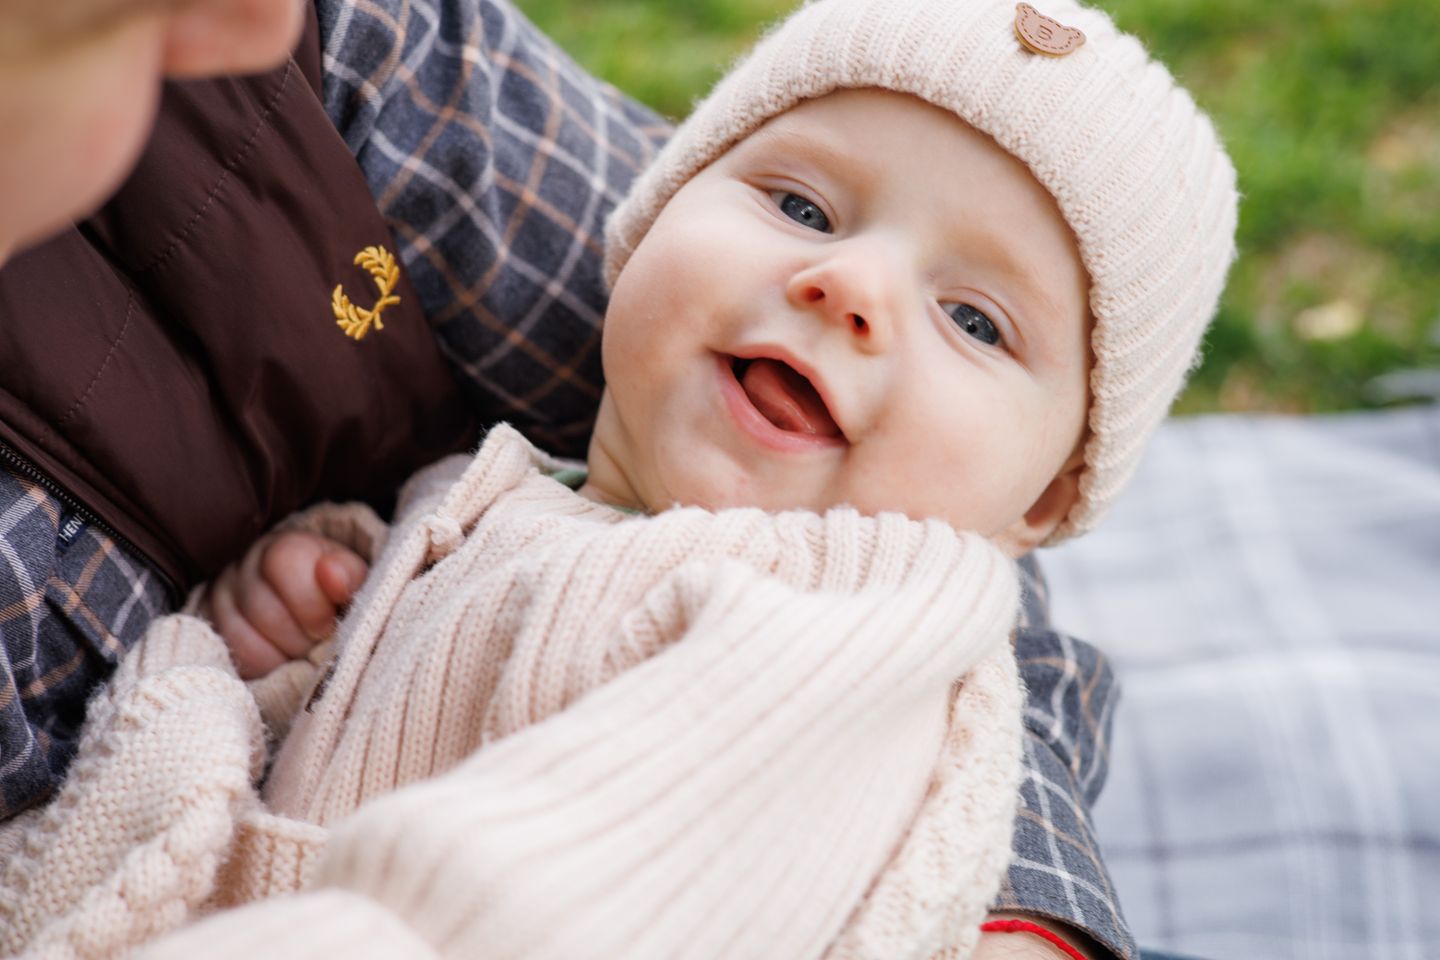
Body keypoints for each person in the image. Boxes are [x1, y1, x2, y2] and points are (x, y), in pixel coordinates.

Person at [0, 0, 1236, 957]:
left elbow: (527, 904)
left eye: (975, 321)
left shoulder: (830, 623)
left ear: (1041, 506)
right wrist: (260, 659)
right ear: (646, 227)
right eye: (803, 207)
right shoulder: (495, 494)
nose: (850, 286)